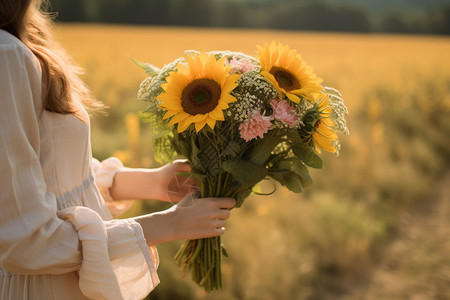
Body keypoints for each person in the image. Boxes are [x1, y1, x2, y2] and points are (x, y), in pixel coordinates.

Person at [0, 0, 236, 299]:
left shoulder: (26, 36)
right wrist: (170, 224)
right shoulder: (6, 54)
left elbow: (53, 173)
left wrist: (152, 183)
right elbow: (26, 242)